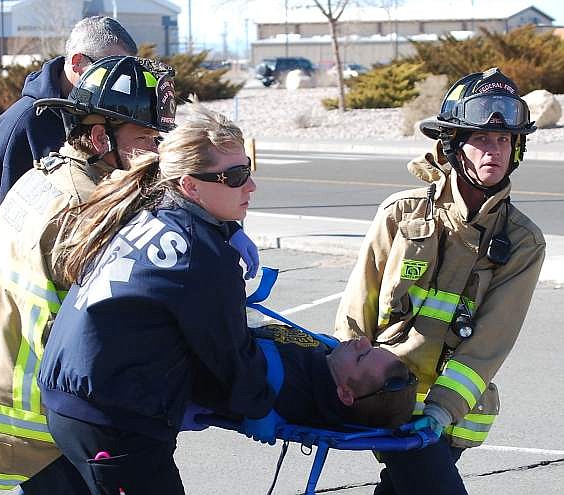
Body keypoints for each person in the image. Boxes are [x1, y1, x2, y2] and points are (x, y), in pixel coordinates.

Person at [0, 56, 177, 494]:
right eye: (145, 138)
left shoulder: (46, 174)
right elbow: (107, 329)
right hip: (38, 427)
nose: (155, 151)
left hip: (17, 409)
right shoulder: (82, 209)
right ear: (98, 136)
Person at [37, 103, 277, 495]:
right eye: (235, 176)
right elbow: (229, 355)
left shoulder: (145, 211)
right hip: (112, 423)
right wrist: (261, 405)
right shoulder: (203, 256)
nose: (250, 186)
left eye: (247, 169)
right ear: (190, 186)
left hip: (73, 399)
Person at [334, 67, 546, 495]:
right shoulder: (401, 214)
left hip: (446, 416)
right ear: (452, 145)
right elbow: (357, 311)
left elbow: (490, 342)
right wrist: (347, 382)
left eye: (505, 140)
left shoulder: (523, 242)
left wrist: (441, 410)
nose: (495, 150)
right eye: (482, 139)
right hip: (383, 397)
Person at [0, 16, 137, 315]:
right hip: (31, 307)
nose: (121, 83)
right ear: (77, 63)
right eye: (111, 70)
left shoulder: (108, 117)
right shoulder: (20, 127)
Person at [195, 323, 418, 429]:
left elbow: (214, 345)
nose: (362, 341)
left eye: (362, 356)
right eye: (371, 347)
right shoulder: (326, 364)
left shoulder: (288, 388)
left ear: (345, 394)